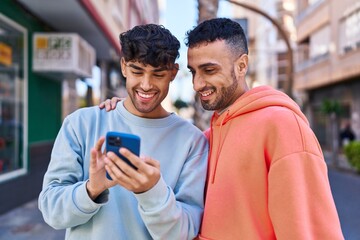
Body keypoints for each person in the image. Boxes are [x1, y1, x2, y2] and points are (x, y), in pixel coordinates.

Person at [101, 18, 344, 239]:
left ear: (242, 65)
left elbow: (309, 232)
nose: (197, 84)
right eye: (194, 72)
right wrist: (123, 108)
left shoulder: (283, 126)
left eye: (209, 70)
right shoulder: (207, 137)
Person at [38, 24, 208, 240]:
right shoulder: (80, 123)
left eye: (158, 74)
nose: (146, 85)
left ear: (173, 73)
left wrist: (152, 191)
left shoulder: (192, 142)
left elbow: (183, 233)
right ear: (124, 67)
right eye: (137, 71)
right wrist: (92, 189)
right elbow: (52, 213)